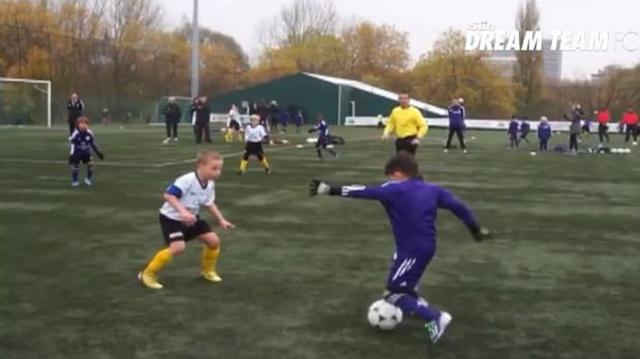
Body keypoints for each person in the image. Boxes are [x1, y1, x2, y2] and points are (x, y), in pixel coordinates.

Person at [309, 153, 490, 343]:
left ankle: (434, 317)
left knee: (392, 294)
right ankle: (417, 305)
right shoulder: (434, 190)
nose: (389, 180)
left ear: (397, 173)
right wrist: (475, 229)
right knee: (405, 283)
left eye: (390, 176)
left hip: (412, 250)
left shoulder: (393, 189)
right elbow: (458, 207)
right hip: (423, 247)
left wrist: (328, 189)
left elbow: (362, 190)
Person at [138, 150, 235, 290]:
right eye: (214, 168)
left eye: (219, 169)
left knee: (214, 241)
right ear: (200, 166)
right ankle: (147, 274)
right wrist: (182, 212)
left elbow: (209, 203)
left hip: (191, 218)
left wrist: (221, 220)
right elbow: (169, 196)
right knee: (178, 248)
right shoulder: (188, 179)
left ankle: (208, 271)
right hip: (171, 219)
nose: (218, 172)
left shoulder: (210, 184)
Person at [68, 117, 104, 187]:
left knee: (91, 165)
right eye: (81, 123)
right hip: (77, 152)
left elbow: (92, 144)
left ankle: (88, 179)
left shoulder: (89, 133)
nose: (83, 125)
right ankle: (75, 181)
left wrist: (98, 153)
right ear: (78, 125)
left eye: (85, 123)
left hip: (86, 153)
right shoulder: (75, 134)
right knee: (75, 166)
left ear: (87, 125)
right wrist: (72, 155)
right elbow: (73, 145)